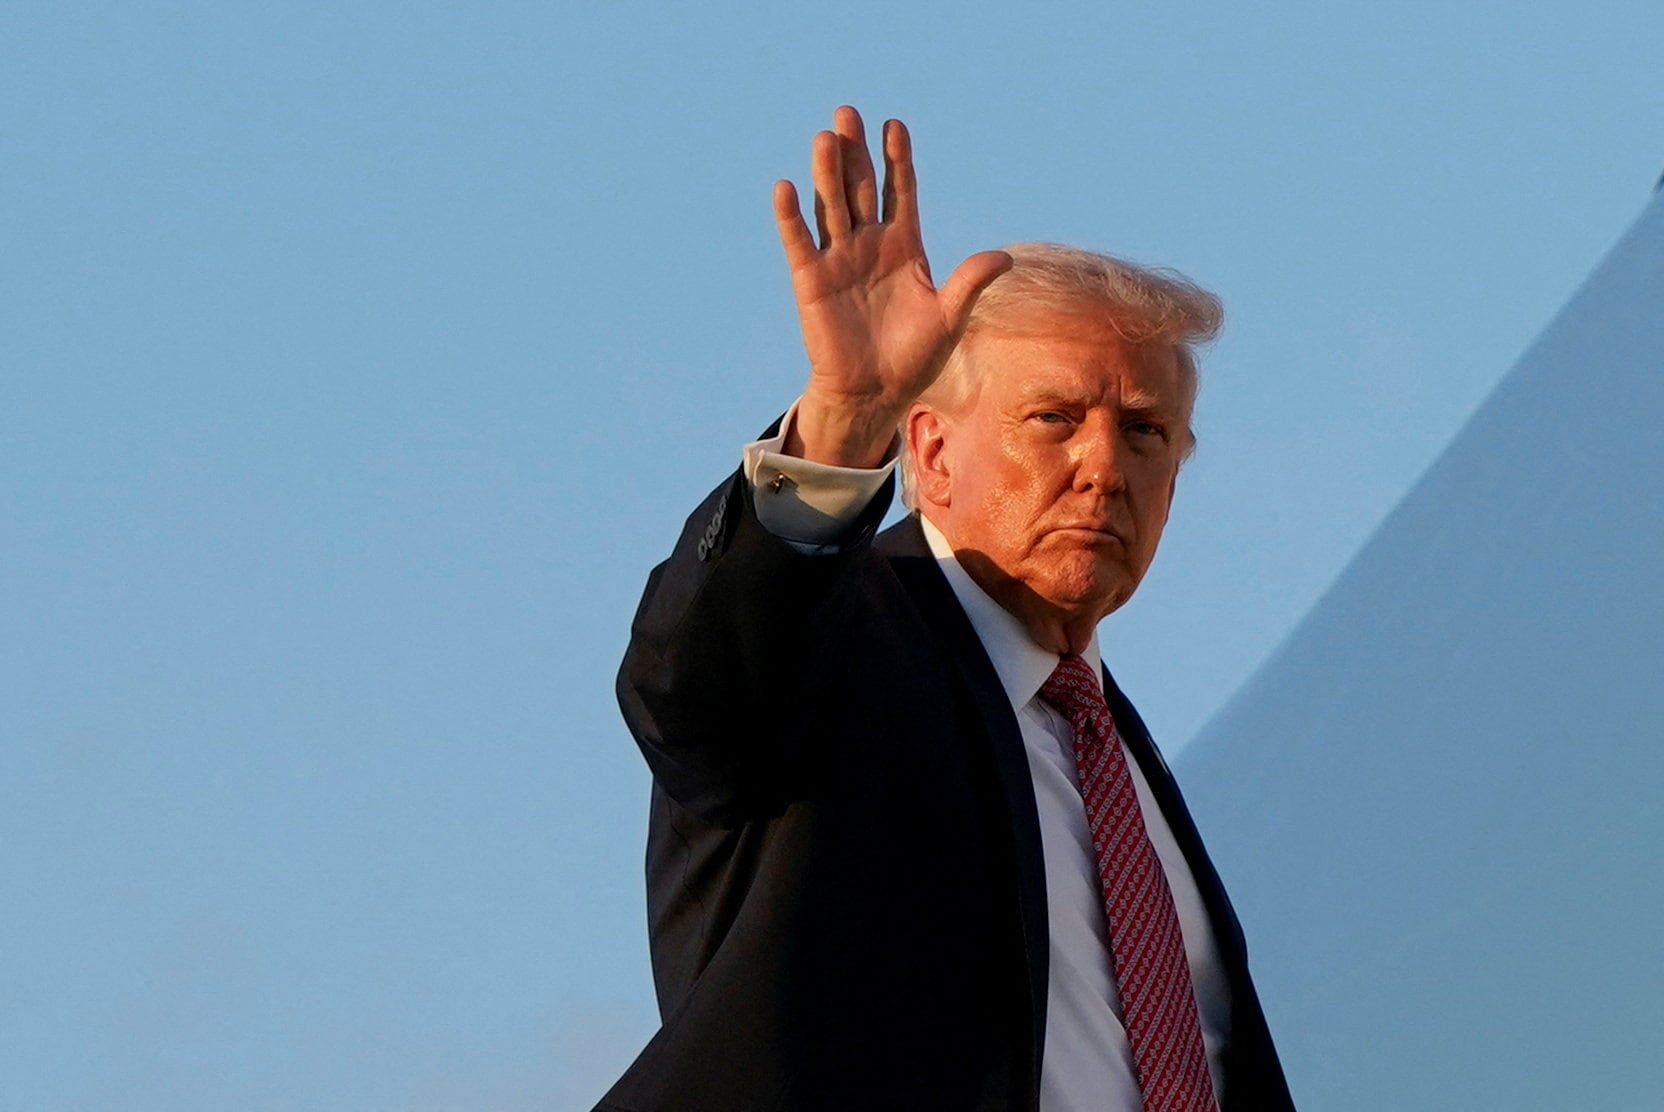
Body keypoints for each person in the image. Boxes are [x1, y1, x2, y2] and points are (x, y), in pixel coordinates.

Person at [597, 106, 1294, 1112]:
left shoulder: (1114, 762)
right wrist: (841, 423)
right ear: (926, 450)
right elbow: (696, 688)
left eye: (1144, 431)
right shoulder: (842, 645)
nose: (1102, 465)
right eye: (1053, 417)